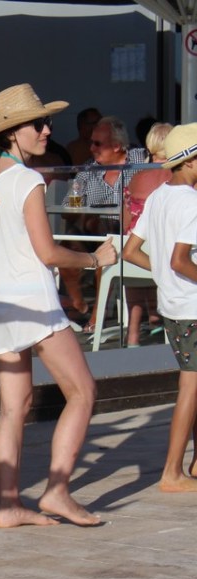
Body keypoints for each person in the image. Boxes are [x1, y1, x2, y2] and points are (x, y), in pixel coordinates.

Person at [0, 83, 118, 528]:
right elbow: (47, 252)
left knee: (14, 408)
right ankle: (57, 491)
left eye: (46, 121)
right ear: (12, 131)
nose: (47, 130)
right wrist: (95, 259)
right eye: (38, 123)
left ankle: (9, 505)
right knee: (83, 392)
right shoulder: (27, 179)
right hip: (33, 301)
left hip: (0, 304)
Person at [120, 123, 197, 492]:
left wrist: (163, 273)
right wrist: (171, 270)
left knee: (193, 384)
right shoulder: (191, 202)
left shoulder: (160, 196)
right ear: (191, 161)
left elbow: (130, 251)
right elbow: (181, 261)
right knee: (191, 387)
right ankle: (172, 473)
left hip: (172, 305)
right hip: (192, 306)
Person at [67, 116, 149, 327]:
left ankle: (97, 315)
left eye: (97, 143)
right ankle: (78, 304)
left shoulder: (141, 159)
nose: (91, 148)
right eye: (91, 142)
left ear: (117, 146)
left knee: (107, 248)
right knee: (65, 247)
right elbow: (69, 206)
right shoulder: (89, 168)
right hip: (95, 231)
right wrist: (84, 214)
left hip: (130, 234)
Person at [120, 122, 172, 347]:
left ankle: (132, 334)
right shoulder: (178, 178)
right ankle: (163, 323)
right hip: (167, 257)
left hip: (134, 256)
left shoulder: (136, 177)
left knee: (133, 244)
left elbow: (125, 222)